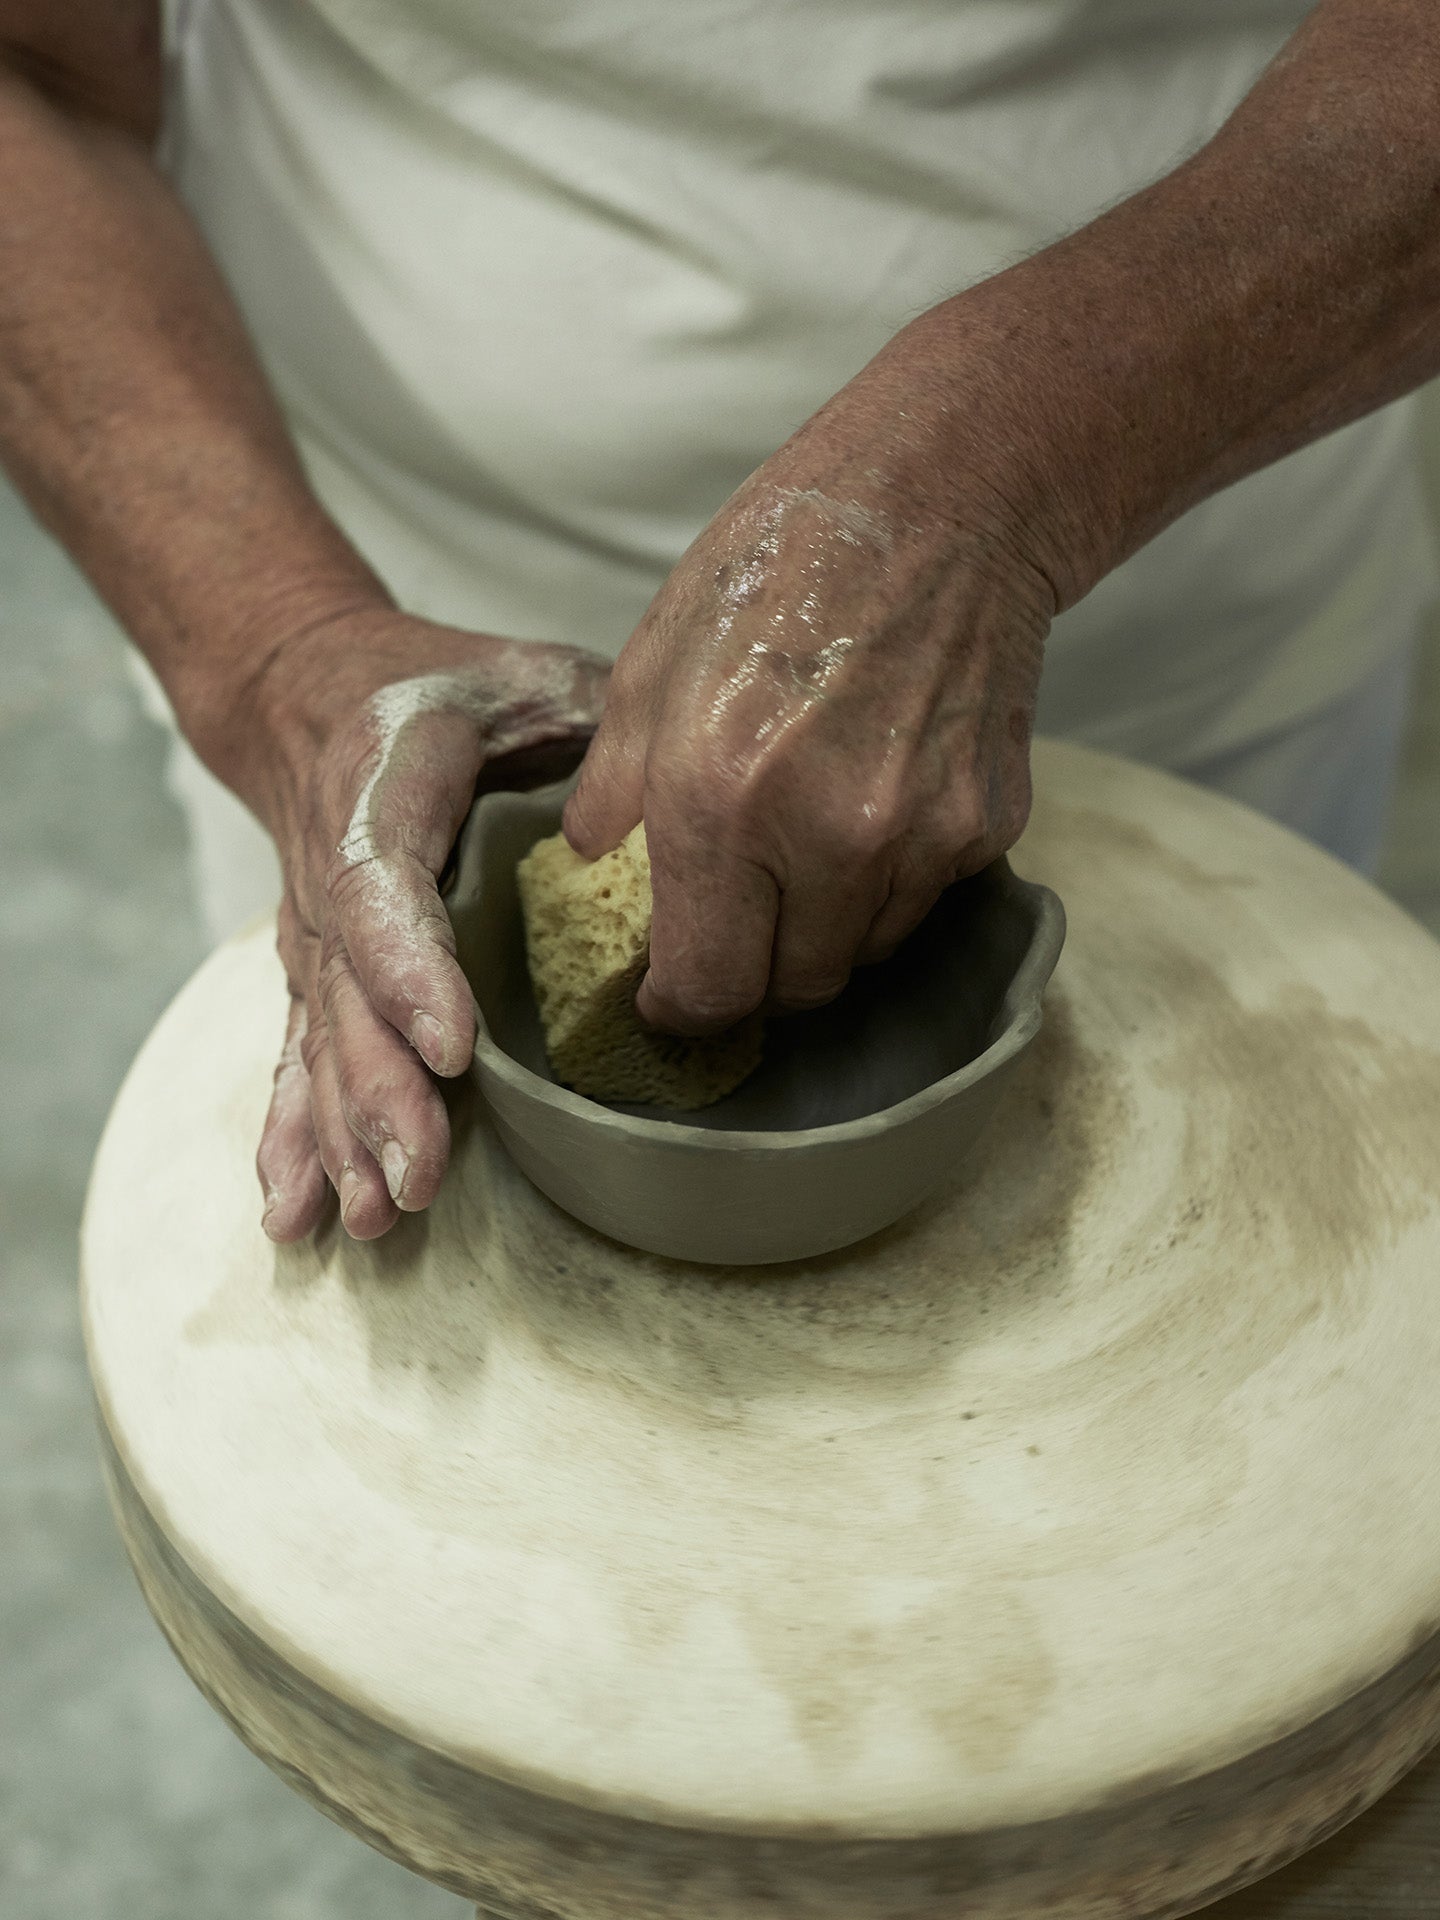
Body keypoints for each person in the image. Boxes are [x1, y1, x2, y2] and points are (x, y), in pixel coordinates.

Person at [1, 0, 1436, 1245]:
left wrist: (1020, 461)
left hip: (1183, 588)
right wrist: (276, 655)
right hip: (378, 644)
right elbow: (32, 69)